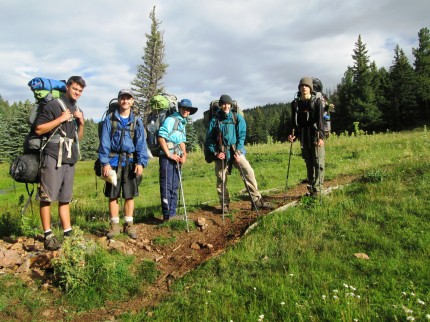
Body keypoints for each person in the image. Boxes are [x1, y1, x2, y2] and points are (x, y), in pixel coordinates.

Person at [34, 76, 86, 250]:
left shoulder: (77, 108)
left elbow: (77, 139)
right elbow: (39, 129)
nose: (77, 92)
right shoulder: (54, 105)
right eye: (75, 89)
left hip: (69, 158)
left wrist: (81, 123)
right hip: (52, 155)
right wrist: (61, 118)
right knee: (47, 197)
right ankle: (48, 235)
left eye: (80, 90)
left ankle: (67, 233)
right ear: (67, 87)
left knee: (65, 198)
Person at [205, 94, 274, 212]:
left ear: (231, 105)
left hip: (236, 151)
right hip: (221, 153)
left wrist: (238, 151)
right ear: (220, 106)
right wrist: (216, 153)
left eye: (228, 104)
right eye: (223, 104)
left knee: (248, 172)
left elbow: (242, 135)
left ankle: (256, 200)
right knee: (221, 179)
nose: (226, 106)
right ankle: (224, 204)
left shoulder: (237, 117)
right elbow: (209, 140)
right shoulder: (215, 120)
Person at [98, 89, 149, 239]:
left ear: (132, 101)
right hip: (112, 162)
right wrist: (105, 163)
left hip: (131, 162)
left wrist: (141, 162)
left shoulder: (137, 121)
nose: (125, 101)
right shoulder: (110, 119)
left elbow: (141, 143)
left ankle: (129, 224)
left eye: (128, 98)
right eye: (123, 98)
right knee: (113, 196)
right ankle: (114, 225)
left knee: (129, 195)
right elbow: (104, 142)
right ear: (119, 100)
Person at [158, 99, 197, 221]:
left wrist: (184, 154)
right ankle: (167, 215)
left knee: (175, 186)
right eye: (184, 108)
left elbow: (181, 141)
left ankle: (173, 214)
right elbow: (161, 137)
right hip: (167, 157)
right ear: (179, 108)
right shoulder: (171, 119)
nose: (186, 111)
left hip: (177, 157)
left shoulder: (182, 122)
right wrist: (169, 154)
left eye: (188, 109)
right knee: (167, 185)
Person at [288, 77, 325, 197]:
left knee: (318, 161)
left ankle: (318, 189)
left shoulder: (317, 102)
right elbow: (294, 123)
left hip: (315, 134)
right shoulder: (295, 104)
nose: (304, 87)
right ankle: (311, 186)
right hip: (304, 135)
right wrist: (293, 135)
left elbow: (320, 121)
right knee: (308, 161)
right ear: (299, 88)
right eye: (302, 86)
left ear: (310, 88)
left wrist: (321, 137)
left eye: (306, 86)